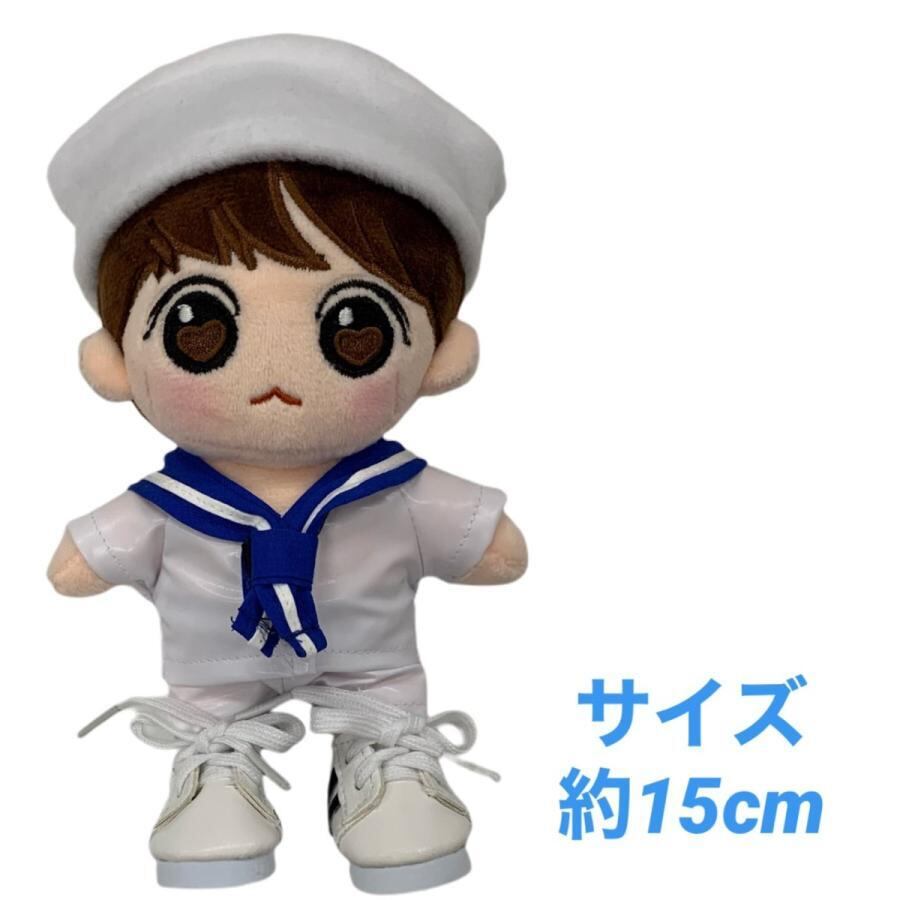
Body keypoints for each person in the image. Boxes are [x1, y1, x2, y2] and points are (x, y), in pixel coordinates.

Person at [47, 34, 527, 893]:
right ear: (114, 364)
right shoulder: (168, 505)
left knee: (383, 689)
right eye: (199, 325)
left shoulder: (393, 491)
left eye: (354, 327)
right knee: (211, 702)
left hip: (372, 664)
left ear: (442, 355)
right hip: (213, 671)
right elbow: (76, 568)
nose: (276, 374)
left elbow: (499, 554)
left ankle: (381, 748)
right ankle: (214, 755)